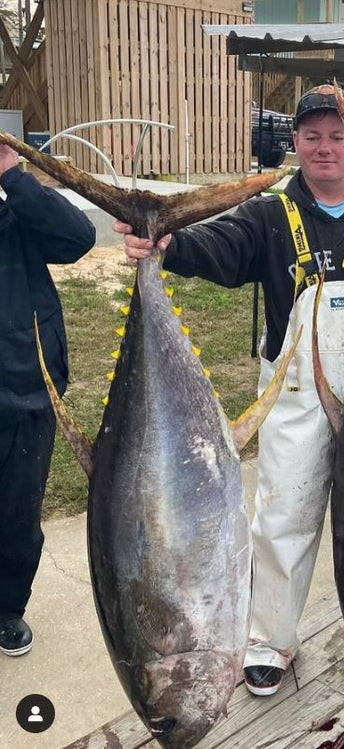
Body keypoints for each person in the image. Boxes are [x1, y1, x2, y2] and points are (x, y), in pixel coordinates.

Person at [115, 84, 344, 696]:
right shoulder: (269, 214)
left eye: (337, 136)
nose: (324, 148)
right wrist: (168, 245)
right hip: (298, 397)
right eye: (312, 137)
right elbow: (219, 253)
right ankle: (270, 638)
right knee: (284, 516)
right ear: (296, 143)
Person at [0, 145, 96, 656]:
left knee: (18, 514)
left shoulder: (19, 211)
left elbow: (79, 238)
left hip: (28, 389)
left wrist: (13, 176)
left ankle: (7, 608)